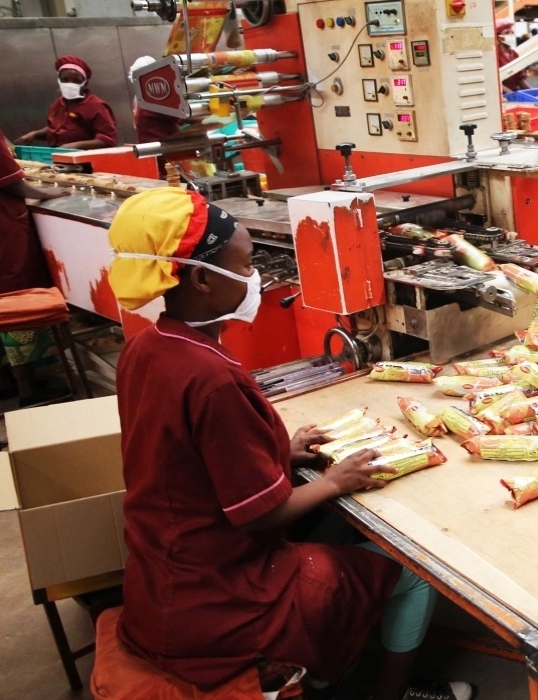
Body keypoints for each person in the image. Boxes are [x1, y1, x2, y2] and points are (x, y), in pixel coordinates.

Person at [107, 188, 472, 700]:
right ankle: (390, 691)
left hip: (160, 576)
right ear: (203, 278)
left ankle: (329, 662)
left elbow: (183, 460)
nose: (256, 276)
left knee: (334, 531)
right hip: (218, 598)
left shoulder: (147, 347)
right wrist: (331, 481)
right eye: (248, 264)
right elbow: (258, 515)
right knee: (418, 569)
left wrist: (279, 453)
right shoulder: (211, 378)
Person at [0, 127, 70, 405]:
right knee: (18, 298)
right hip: (5, 233)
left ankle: (5, 383)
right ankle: (27, 389)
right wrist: (46, 193)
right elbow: (11, 182)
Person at [16, 55, 117, 150]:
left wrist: (77, 145)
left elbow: (108, 139)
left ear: (85, 83)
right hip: (59, 159)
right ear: (59, 80)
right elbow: (57, 129)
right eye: (65, 80)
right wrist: (35, 134)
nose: (69, 84)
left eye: (76, 80)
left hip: (88, 160)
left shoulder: (96, 106)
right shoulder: (57, 105)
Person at [129, 56, 183, 144]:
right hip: (162, 150)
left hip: (153, 148)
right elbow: (179, 115)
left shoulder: (139, 97)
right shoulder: (150, 97)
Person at [496, 19, 528, 93]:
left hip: (514, 94)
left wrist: (534, 92)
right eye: (507, 32)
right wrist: (509, 93)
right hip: (501, 96)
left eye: (512, 32)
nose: (511, 35)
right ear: (499, 37)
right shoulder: (494, 55)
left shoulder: (514, 54)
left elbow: (520, 79)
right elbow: (494, 80)